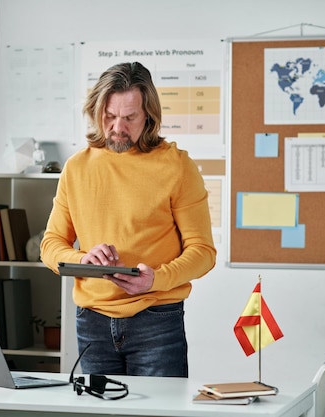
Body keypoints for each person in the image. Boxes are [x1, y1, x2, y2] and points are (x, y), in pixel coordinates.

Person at [40, 62, 216, 377]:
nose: (118, 127)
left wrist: (156, 280)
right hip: (91, 322)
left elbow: (203, 252)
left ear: (149, 115)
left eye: (129, 117)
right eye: (109, 116)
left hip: (157, 320)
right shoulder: (76, 168)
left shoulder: (177, 166)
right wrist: (84, 259)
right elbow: (51, 245)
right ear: (96, 112)